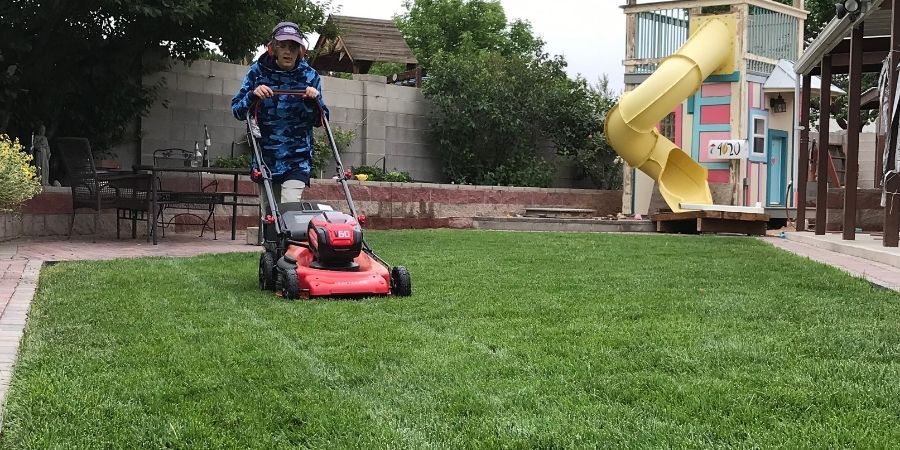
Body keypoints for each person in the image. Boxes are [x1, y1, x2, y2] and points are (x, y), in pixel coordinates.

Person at [232, 21, 329, 208]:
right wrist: (253, 95)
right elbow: (237, 110)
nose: (287, 52)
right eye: (282, 46)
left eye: (293, 47)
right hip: (266, 158)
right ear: (273, 48)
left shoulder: (310, 76)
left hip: (297, 159)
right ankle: (268, 238)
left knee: (289, 211)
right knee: (270, 217)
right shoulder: (257, 72)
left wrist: (312, 101)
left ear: (300, 50)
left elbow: (321, 119)